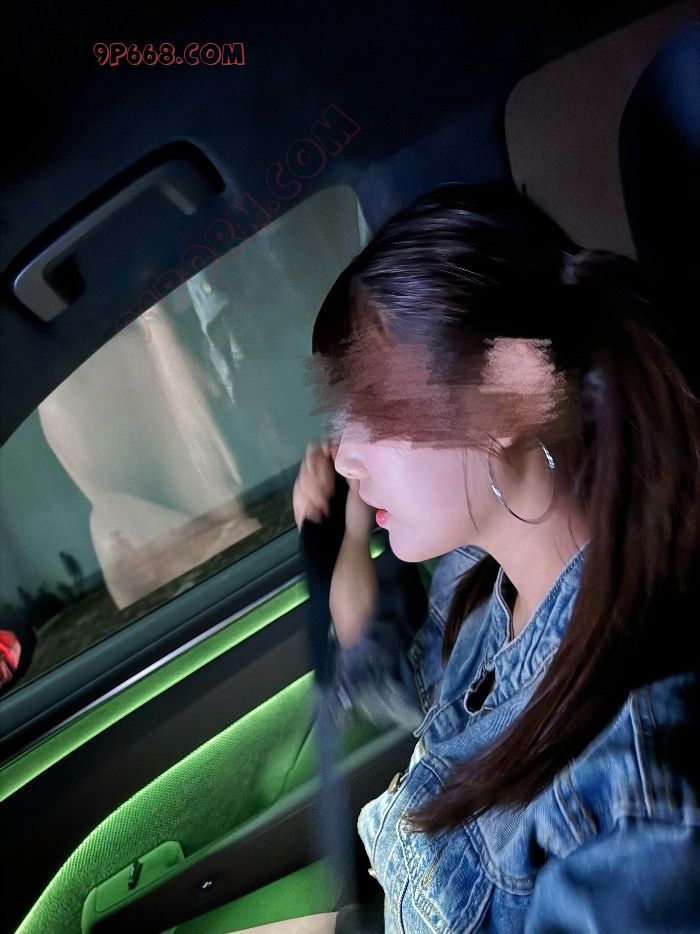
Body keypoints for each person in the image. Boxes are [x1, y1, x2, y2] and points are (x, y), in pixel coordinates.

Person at [279, 181, 700, 933]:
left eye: (376, 410)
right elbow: (387, 676)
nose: (343, 457)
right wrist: (341, 534)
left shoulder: (633, 801)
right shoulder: (478, 581)